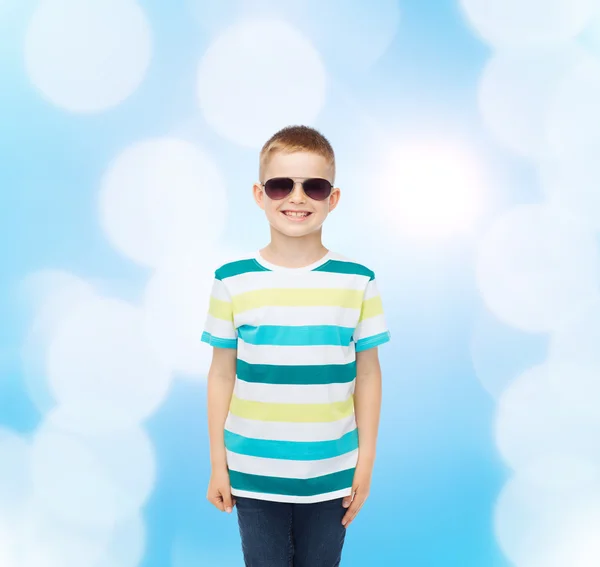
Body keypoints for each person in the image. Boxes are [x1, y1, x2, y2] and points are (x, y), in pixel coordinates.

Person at [201, 125, 391, 566]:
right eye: (281, 184)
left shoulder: (358, 280)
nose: (297, 197)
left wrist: (366, 462)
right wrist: (218, 462)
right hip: (253, 472)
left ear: (333, 198)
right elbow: (221, 373)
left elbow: (368, 374)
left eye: (314, 186)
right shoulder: (232, 280)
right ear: (259, 194)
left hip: (331, 472)